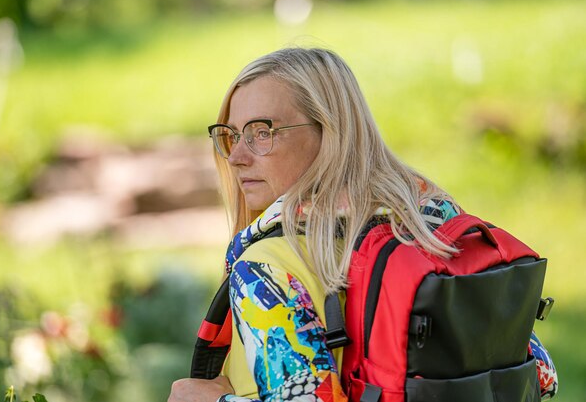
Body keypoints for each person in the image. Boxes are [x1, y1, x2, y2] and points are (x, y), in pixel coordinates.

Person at [167, 48, 558, 402]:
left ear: (330, 132)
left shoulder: (267, 267)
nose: (235, 157)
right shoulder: (430, 230)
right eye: (232, 135)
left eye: (261, 133)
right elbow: (541, 375)